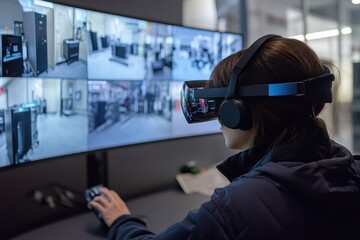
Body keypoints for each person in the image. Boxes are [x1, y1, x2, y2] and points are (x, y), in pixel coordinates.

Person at [89, 35, 360, 239]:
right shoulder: (348, 168)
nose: (218, 118)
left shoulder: (236, 208)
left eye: (222, 105)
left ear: (237, 111)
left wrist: (121, 220)